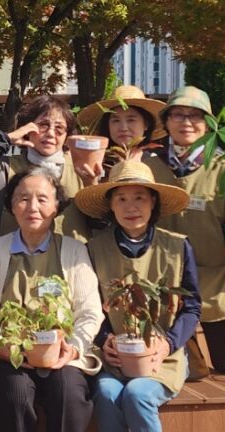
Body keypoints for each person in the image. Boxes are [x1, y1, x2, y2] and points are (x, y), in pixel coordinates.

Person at [146, 86, 225, 380]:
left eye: (195, 116)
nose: (186, 122)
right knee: (170, 369)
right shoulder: (149, 165)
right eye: (177, 115)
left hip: (220, 278)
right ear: (166, 121)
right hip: (162, 282)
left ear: (209, 124)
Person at [76, 161, 202, 432]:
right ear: (110, 205)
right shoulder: (94, 248)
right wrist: (105, 339)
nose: (130, 207)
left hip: (162, 356)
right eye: (121, 198)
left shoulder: (177, 246)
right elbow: (88, 305)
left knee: (138, 394)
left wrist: (168, 344)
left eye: (139, 198)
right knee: (107, 393)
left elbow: (191, 307)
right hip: (114, 356)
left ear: (153, 202)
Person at [0, 168, 103, 432]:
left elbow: (90, 312)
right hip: (11, 353)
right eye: (23, 198)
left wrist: (74, 347)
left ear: (56, 206)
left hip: (63, 352)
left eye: (43, 199)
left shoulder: (75, 250)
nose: (32, 206)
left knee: (67, 391)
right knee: (15, 393)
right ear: (11, 206)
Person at [0, 95, 89, 241]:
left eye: (59, 128)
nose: (51, 133)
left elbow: (98, 219)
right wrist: (7, 139)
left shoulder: (82, 168)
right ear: (27, 128)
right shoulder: (5, 167)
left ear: (68, 135)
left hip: (70, 260)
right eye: (43, 125)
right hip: (12, 259)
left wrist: (92, 183)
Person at [73, 85, 166, 233]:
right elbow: (93, 220)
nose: (123, 127)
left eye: (131, 120)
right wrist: (91, 185)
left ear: (146, 124)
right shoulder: (96, 162)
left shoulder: (159, 164)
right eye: (115, 120)